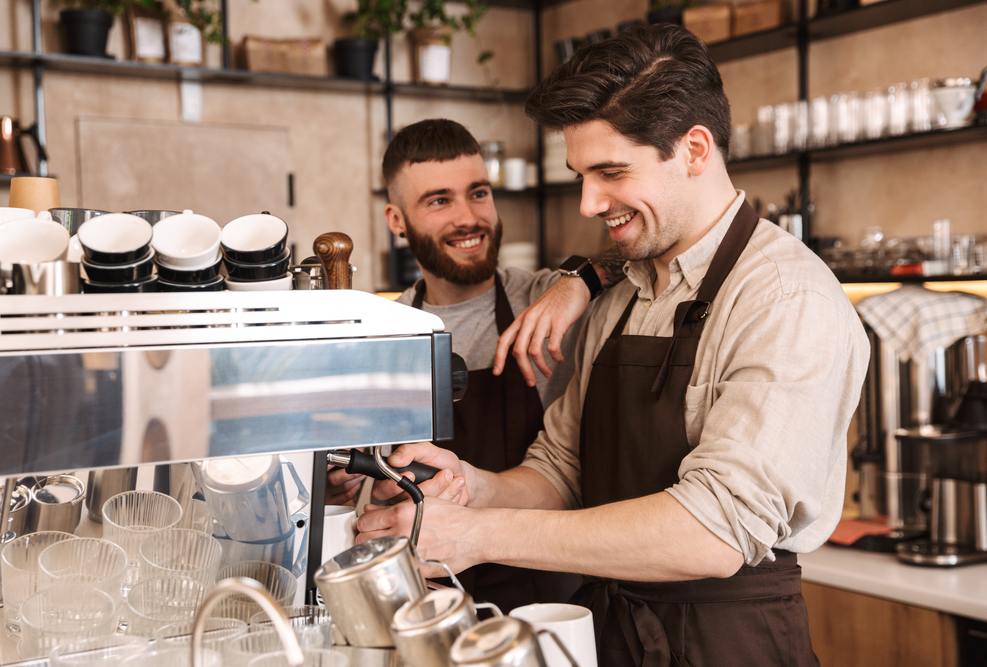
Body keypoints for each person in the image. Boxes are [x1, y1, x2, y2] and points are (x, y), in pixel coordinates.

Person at [356, 25, 869, 666]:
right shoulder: (622, 293)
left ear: (695, 149)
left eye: (610, 172)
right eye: (580, 175)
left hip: (728, 646)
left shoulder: (786, 299)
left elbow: (714, 531)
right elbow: (561, 468)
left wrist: (476, 533)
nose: (589, 202)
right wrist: (473, 487)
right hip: (611, 637)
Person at [327, 118, 625, 613]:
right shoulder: (381, 334)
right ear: (396, 220)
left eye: (479, 193)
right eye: (439, 200)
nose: (468, 217)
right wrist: (339, 484)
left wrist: (580, 281)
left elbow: (647, 250)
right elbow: (348, 486)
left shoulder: (546, 300)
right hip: (428, 602)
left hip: (556, 597)